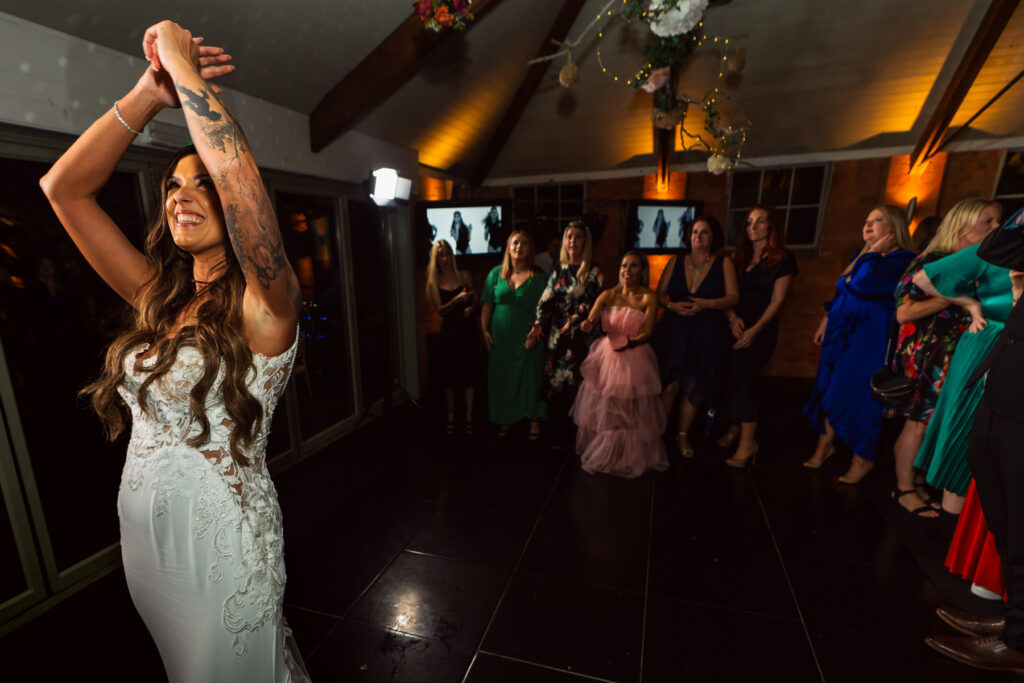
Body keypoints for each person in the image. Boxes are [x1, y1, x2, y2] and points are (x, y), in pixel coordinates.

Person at [39, 21, 307, 682]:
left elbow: (239, 176)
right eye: (173, 185)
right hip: (152, 558)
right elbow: (63, 189)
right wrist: (146, 93)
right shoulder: (154, 296)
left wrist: (186, 75)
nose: (185, 191)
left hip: (221, 556)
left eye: (202, 183)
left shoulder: (265, 307)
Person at [925, 207, 1024, 674]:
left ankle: (1019, 645)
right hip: (1003, 394)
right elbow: (995, 249)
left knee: (1022, 532)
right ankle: (1012, 621)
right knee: (1005, 524)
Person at [886, 199, 1001, 517]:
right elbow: (903, 311)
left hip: (959, 356)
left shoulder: (979, 260)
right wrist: (959, 300)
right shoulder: (934, 259)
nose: (995, 228)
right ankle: (903, 488)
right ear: (962, 225)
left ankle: (919, 482)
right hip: (930, 355)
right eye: (988, 221)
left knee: (938, 424)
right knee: (918, 423)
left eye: (997, 222)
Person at [803, 206, 915, 483]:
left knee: (862, 396)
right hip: (842, 332)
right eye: (866, 221)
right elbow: (842, 290)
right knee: (828, 388)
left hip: (870, 335)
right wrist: (824, 321)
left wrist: (872, 255)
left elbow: (862, 286)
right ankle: (825, 446)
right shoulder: (863, 256)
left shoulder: (903, 259)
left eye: (877, 220)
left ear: (894, 228)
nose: (868, 225)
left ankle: (863, 458)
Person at [571, 251, 668, 477]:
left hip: (634, 356)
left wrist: (631, 342)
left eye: (633, 266)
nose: (627, 270)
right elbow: (590, 320)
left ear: (642, 271)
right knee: (609, 409)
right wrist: (585, 325)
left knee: (629, 410)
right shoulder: (607, 295)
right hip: (608, 355)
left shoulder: (648, 297)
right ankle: (608, 451)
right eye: (624, 265)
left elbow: (648, 331)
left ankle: (628, 455)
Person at [718, 205, 798, 468]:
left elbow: (778, 300)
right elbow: (727, 292)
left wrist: (755, 330)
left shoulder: (783, 258)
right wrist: (731, 318)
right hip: (734, 325)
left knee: (743, 380)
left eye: (760, 221)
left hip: (760, 329)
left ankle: (748, 443)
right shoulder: (737, 256)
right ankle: (736, 426)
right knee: (731, 377)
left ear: (771, 226)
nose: (753, 226)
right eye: (750, 221)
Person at [655, 216, 739, 457]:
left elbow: (733, 297)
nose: (698, 236)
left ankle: (682, 435)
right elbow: (659, 294)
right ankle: (655, 434)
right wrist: (671, 307)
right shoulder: (676, 262)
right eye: (694, 232)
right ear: (689, 236)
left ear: (713, 237)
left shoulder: (724, 264)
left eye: (704, 232)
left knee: (695, 384)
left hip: (706, 330)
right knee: (669, 384)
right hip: (675, 329)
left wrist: (709, 303)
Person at [530, 221, 603, 448]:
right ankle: (557, 436)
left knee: (580, 386)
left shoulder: (594, 270)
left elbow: (593, 302)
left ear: (585, 242)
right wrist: (539, 323)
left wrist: (575, 318)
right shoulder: (557, 268)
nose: (572, 241)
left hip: (582, 335)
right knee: (555, 385)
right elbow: (546, 300)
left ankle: (579, 439)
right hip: (557, 336)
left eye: (577, 237)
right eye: (569, 237)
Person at [481, 230, 547, 438]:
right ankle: (505, 418)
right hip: (500, 339)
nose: (519, 246)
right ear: (509, 247)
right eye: (515, 242)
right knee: (502, 378)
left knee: (531, 376)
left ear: (530, 249)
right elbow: (487, 304)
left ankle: (534, 419)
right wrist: (483, 330)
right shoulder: (495, 274)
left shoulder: (539, 277)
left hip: (527, 336)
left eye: (524, 243)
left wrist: (536, 331)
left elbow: (545, 309)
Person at [425, 239, 477, 434]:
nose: (445, 258)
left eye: (447, 253)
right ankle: (451, 415)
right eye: (441, 255)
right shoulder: (433, 282)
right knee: (450, 375)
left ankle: (470, 416)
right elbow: (441, 311)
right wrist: (456, 300)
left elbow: (476, 299)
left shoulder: (464, 275)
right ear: (435, 259)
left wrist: (471, 308)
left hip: (467, 330)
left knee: (469, 373)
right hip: (450, 332)